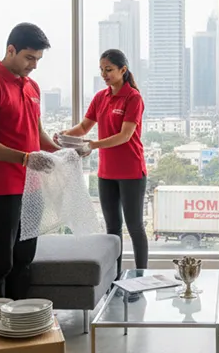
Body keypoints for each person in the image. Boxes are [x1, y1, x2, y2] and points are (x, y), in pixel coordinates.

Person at [0, 22, 61, 300]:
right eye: (29, 57)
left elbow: (37, 133)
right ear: (11, 50)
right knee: (1, 262)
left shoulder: (32, 87)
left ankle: (21, 326)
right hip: (1, 188)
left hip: (32, 187)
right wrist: (24, 159)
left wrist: (62, 152)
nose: (34, 65)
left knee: (25, 259)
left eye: (38, 59)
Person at [60, 49, 148, 282]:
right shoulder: (101, 97)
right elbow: (83, 127)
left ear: (123, 70)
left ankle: (142, 276)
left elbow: (125, 135)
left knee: (135, 226)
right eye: (101, 70)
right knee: (112, 229)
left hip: (131, 172)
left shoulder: (133, 98)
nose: (104, 74)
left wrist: (94, 145)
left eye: (109, 70)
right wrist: (62, 136)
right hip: (106, 173)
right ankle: (116, 277)